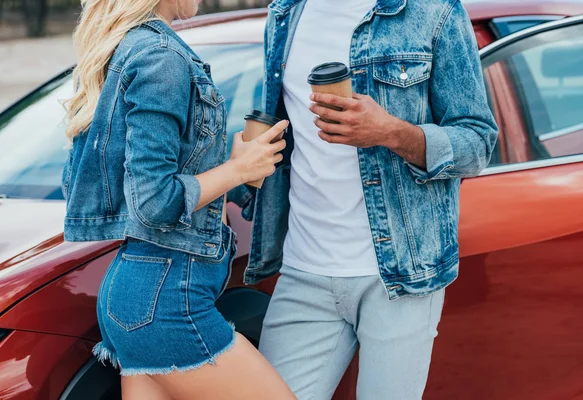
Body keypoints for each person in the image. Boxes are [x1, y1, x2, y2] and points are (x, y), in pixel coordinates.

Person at [239, 0, 498, 398]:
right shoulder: (284, 14)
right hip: (303, 269)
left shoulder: (433, 11)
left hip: (401, 274)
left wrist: (390, 132)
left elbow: (478, 141)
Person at [62, 0, 294, 398]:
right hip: (167, 301)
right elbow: (153, 203)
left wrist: (239, 169)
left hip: (135, 294)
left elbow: (125, 184)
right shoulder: (162, 58)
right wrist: (237, 170)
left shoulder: (125, 49)